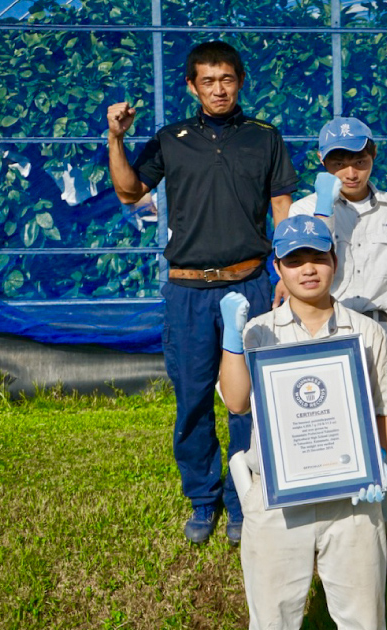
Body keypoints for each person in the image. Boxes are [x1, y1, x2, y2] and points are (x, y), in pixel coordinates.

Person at [106, 41, 298, 544]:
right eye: (208, 81)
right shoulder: (172, 139)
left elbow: (282, 205)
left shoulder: (264, 137)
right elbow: (130, 191)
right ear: (192, 86)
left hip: (252, 282)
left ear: (240, 82)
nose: (218, 89)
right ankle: (204, 499)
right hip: (188, 291)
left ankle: (246, 500)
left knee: (250, 400)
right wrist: (116, 138)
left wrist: (284, 274)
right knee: (192, 398)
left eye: (227, 79)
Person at [218, 214, 387, 630]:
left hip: (352, 499)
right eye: (294, 260)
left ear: (334, 260)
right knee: (272, 619)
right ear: (278, 268)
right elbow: (235, 402)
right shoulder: (259, 332)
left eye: (317, 257)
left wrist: (376, 461)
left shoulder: (367, 331)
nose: (308, 269)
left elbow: (386, 410)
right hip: (277, 502)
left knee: (363, 619)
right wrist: (233, 340)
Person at [288, 116, 387, 571]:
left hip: (383, 331)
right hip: (329, 333)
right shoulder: (306, 208)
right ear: (323, 162)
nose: (350, 171)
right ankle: (330, 539)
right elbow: (302, 273)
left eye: (359, 159)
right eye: (339, 161)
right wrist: (323, 212)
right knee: (330, 437)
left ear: (372, 158)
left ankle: (378, 529)